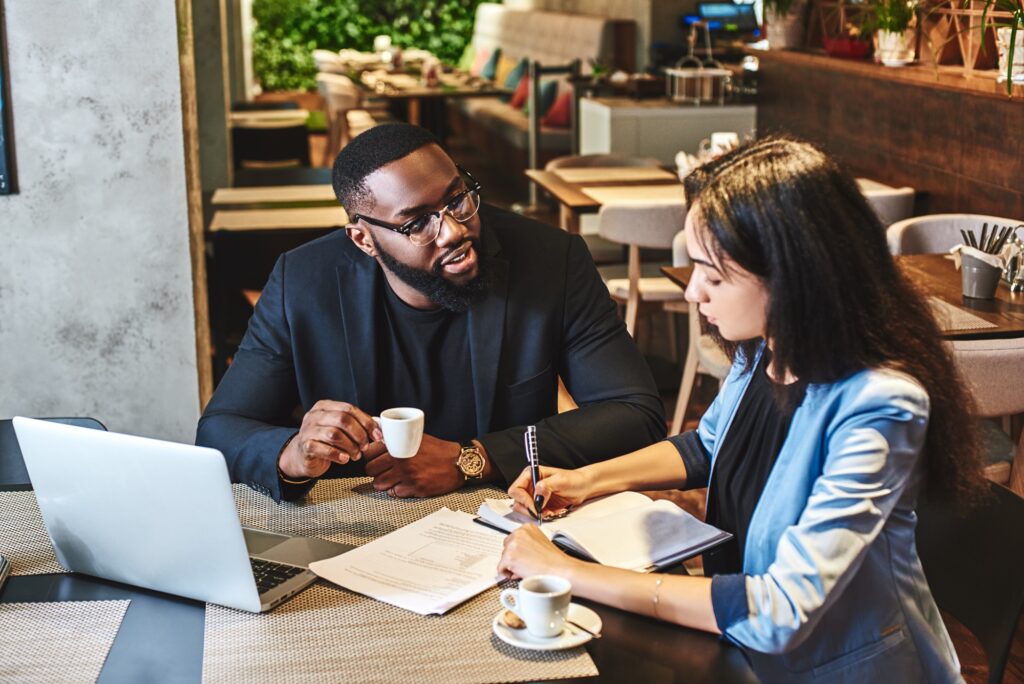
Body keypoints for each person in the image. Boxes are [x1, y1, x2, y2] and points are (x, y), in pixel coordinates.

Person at [497, 137, 985, 682]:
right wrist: (586, 480)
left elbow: (780, 611)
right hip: (743, 656)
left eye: (712, 273)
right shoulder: (765, 351)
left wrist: (564, 572)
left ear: (790, 274)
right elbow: (708, 444)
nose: (692, 293)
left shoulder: (878, 405)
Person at [196, 123, 665, 502]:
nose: (454, 231)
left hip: (505, 509)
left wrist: (474, 457)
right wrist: (291, 453)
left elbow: (635, 413)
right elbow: (220, 429)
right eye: (417, 222)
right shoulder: (302, 281)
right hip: (355, 519)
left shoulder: (549, 261)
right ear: (364, 239)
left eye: (457, 198)